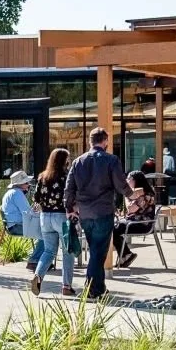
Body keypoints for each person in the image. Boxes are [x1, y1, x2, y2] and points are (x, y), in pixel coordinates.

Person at [66, 128, 132, 300]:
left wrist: (69, 208)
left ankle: (100, 287)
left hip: (85, 213)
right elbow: (120, 183)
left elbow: (69, 188)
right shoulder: (111, 160)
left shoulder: (78, 162)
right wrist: (132, 196)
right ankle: (90, 289)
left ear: (90, 141)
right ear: (105, 141)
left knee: (96, 249)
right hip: (103, 211)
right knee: (98, 252)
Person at [27, 147, 71, 295]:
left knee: (48, 250)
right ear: (64, 161)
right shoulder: (66, 177)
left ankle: (38, 275)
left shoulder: (43, 177)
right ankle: (66, 286)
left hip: (45, 217)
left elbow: (36, 198)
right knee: (67, 252)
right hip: (61, 217)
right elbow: (71, 196)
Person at [113, 171, 158, 268]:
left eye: (129, 179)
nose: (127, 181)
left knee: (113, 230)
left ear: (135, 181)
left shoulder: (146, 195)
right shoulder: (137, 193)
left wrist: (126, 195)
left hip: (143, 224)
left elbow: (131, 209)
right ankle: (125, 255)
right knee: (113, 228)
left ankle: (126, 255)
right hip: (134, 221)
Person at [0, 170, 32, 237]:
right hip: (17, 227)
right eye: (26, 182)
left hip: (12, 226)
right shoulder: (17, 193)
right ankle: (40, 248)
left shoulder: (10, 192)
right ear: (19, 184)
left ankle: (40, 248)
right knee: (45, 230)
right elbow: (27, 213)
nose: (28, 184)